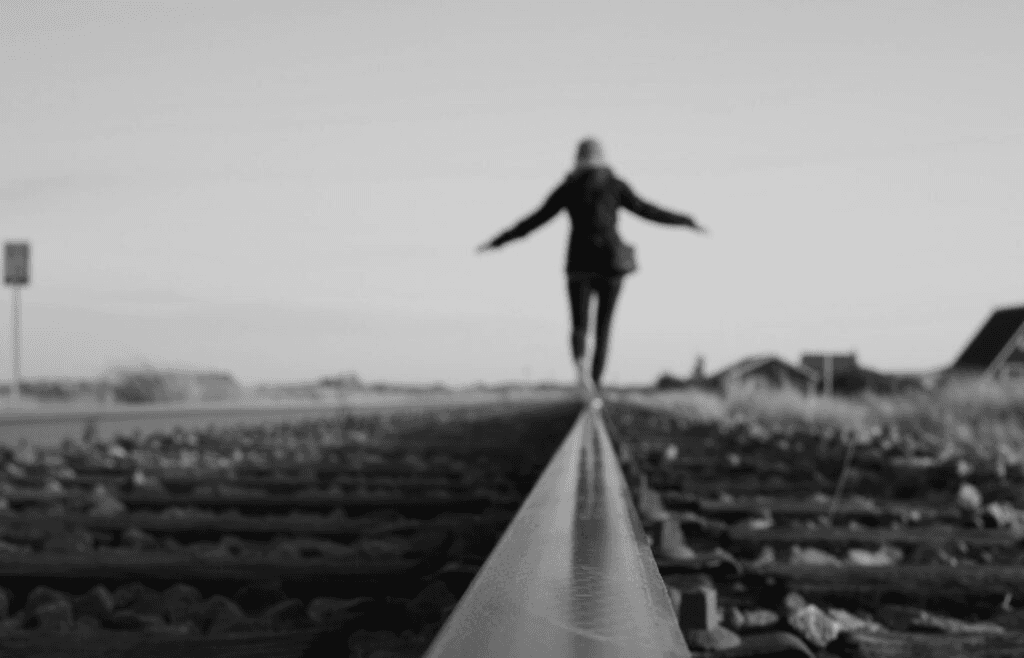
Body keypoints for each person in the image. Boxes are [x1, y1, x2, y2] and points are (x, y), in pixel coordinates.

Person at [478, 138, 706, 403]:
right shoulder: (615, 185)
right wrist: (685, 221)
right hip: (611, 265)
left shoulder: (569, 187)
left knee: (579, 325)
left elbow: (535, 219)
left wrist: (498, 241)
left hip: (579, 265)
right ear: (602, 158)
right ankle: (595, 385)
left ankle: (582, 374)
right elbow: (648, 210)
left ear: (577, 158)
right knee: (603, 329)